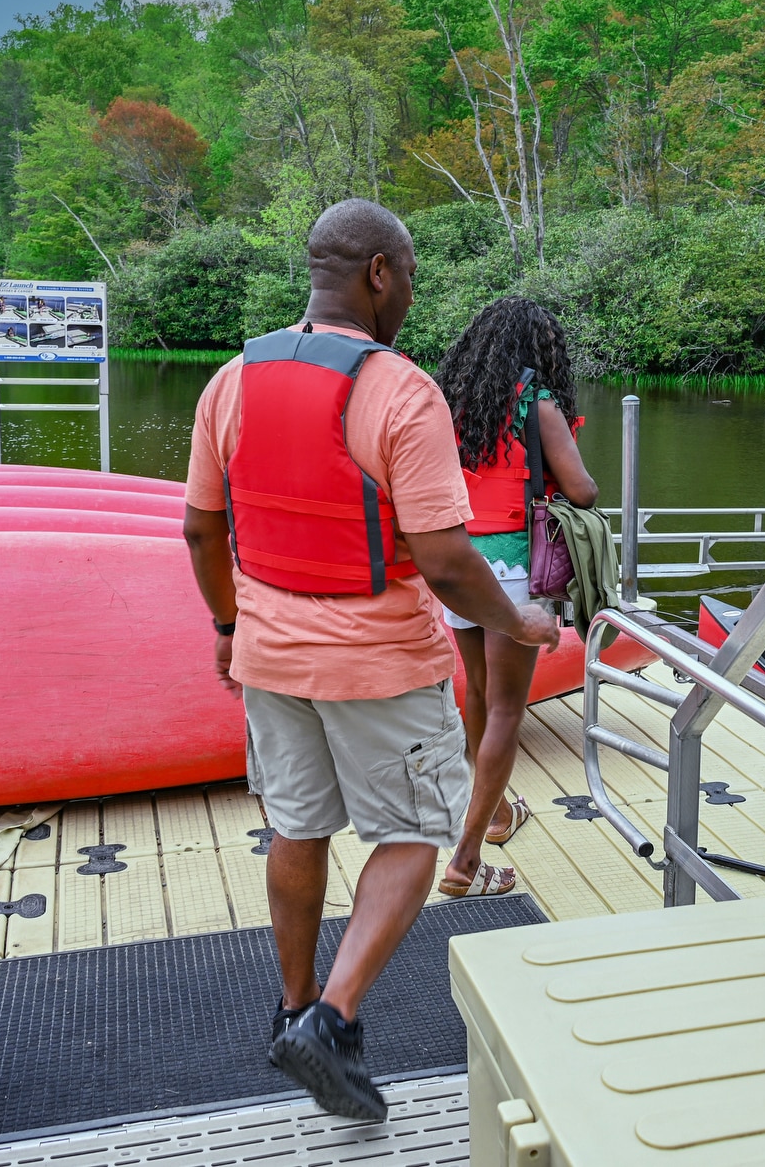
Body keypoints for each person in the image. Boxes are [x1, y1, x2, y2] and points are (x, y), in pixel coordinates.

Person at [182, 199, 559, 1122]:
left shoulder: (230, 380)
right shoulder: (400, 391)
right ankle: (333, 1024)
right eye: (411, 280)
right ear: (379, 274)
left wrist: (229, 626)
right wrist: (521, 622)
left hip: (270, 658)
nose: (410, 302)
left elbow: (199, 528)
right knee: (411, 837)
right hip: (381, 663)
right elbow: (442, 558)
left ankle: (294, 1003)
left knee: (296, 830)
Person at [431, 298, 599, 898]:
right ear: (543, 351)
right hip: (514, 571)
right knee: (507, 707)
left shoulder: (452, 406)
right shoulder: (539, 404)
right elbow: (581, 491)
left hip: (456, 565)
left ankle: (498, 812)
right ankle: (468, 856)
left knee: (477, 692)